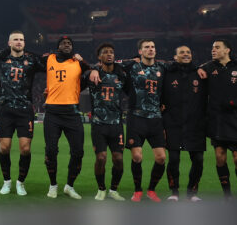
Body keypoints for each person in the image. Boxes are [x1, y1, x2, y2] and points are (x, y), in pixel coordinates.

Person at [199, 39, 237, 197]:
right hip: (217, 119)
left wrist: (235, 102)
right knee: (219, 157)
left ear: (227, 50)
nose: (213, 50)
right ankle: (227, 196)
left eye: (217, 47)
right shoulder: (208, 67)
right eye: (212, 47)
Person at [0, 31, 45, 196]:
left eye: (21, 39)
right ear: (9, 43)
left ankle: (20, 182)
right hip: (6, 109)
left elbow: (51, 65)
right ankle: (7, 182)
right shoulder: (0, 59)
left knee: (25, 149)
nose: (19, 42)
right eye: (15, 39)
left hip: (25, 109)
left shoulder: (32, 60)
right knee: (4, 147)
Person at [119, 39, 168, 202]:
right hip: (136, 117)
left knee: (161, 158)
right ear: (140, 51)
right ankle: (138, 190)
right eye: (146, 47)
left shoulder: (162, 68)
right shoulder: (132, 67)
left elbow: (181, 67)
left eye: (153, 47)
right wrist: (95, 70)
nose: (151, 49)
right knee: (137, 157)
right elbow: (111, 64)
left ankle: (151, 190)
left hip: (156, 118)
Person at [42, 36, 90, 199]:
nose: (67, 45)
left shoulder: (78, 63)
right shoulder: (49, 59)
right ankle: (53, 185)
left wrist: (84, 63)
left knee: (78, 152)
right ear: (58, 47)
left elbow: (91, 74)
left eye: (70, 43)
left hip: (72, 113)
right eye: (64, 43)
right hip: (53, 113)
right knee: (51, 150)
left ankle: (69, 186)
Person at [162, 45, 207, 200]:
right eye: (182, 52)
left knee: (198, 160)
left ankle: (192, 192)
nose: (186, 54)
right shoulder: (167, 73)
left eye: (188, 52)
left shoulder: (200, 73)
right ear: (175, 57)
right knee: (174, 159)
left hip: (195, 125)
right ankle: (174, 192)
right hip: (173, 124)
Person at [87, 43, 129, 201]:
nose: (109, 54)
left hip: (116, 124)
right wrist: (91, 69)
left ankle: (114, 189)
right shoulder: (91, 75)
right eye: (105, 52)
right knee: (101, 158)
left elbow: (132, 91)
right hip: (98, 124)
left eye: (111, 52)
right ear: (99, 57)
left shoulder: (122, 75)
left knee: (118, 159)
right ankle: (101, 189)